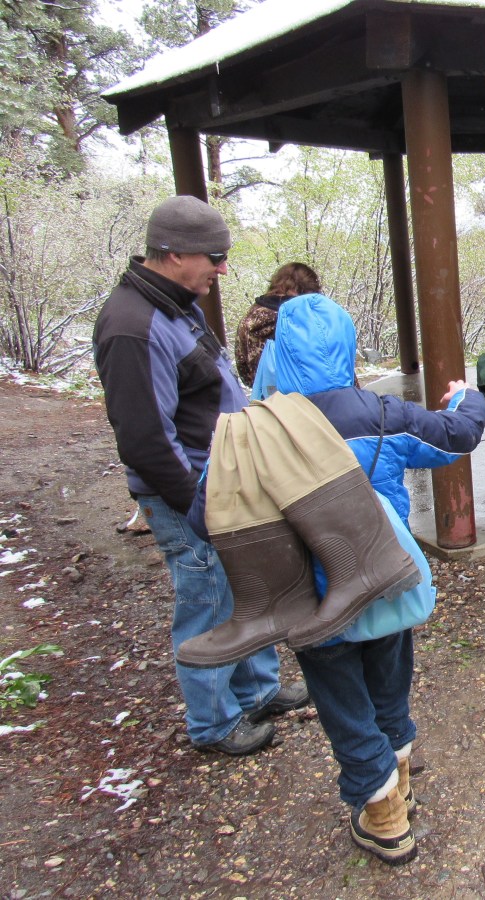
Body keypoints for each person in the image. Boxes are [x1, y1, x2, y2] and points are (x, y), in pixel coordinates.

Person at [272, 293, 485, 865]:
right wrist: (467, 397)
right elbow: (459, 435)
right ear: (346, 349)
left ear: (281, 355)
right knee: (389, 681)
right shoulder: (383, 414)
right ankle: (399, 781)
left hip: (313, 603)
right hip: (383, 580)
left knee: (343, 704)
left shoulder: (263, 432)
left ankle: (384, 816)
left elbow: (206, 512)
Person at [92, 195, 308, 757]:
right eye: (215, 256)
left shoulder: (173, 303)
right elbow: (145, 438)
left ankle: (257, 691)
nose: (223, 268)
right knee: (207, 601)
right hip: (189, 493)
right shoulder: (132, 326)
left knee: (244, 587)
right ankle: (213, 722)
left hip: (219, 483)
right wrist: (196, 504)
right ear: (174, 252)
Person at [233, 261, 321, 386]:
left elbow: (243, 367)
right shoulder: (297, 318)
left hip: (262, 394)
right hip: (300, 395)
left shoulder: (249, 318)